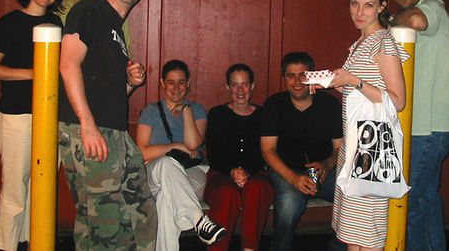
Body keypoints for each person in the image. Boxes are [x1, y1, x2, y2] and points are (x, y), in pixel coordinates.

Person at [58, 0, 156, 250]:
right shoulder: (90, 9)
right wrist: (87, 125)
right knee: (105, 227)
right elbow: (67, 64)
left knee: (139, 216)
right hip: (89, 130)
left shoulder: (117, 31)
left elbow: (110, 93)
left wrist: (131, 82)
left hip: (116, 133)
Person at [0, 0, 65, 251]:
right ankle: (6, 246)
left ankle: (34, 243)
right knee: (16, 189)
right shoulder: (10, 22)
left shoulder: (57, 25)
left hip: (52, 116)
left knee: (42, 189)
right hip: (17, 115)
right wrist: (35, 74)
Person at [388, 0, 449, 251]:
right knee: (426, 200)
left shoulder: (434, 7)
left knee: (405, 205)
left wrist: (388, 20)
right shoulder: (408, 16)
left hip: (430, 128)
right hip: (422, 126)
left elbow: (417, 21)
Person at [330, 0, 409, 250]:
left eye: (368, 5)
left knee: (367, 235)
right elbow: (362, 93)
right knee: (354, 233)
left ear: (382, 6)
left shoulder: (383, 43)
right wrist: (335, 83)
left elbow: (397, 101)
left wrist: (353, 81)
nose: (359, 12)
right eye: (354, 3)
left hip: (371, 150)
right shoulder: (361, 43)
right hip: (355, 147)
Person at [136, 59, 226, 251]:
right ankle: (198, 219)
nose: (176, 88)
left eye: (181, 82)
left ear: (188, 83)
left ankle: (195, 222)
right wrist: (175, 147)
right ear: (162, 83)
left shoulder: (197, 110)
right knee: (167, 163)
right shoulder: (151, 112)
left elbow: (193, 144)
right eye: (171, 82)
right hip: (156, 171)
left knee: (166, 199)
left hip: (192, 171)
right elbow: (142, 152)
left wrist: (185, 110)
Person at [261, 52, 343, 251]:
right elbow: (268, 150)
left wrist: (328, 164)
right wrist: (293, 178)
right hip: (286, 170)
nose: (297, 82)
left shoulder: (330, 104)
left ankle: (339, 247)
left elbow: (340, 148)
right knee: (289, 205)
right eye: (291, 76)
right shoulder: (274, 105)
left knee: (351, 195)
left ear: (312, 76)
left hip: (324, 170)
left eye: (303, 75)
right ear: (284, 78)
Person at [204, 63, 274, 251]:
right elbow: (213, 153)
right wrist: (232, 171)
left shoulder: (263, 116)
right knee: (226, 193)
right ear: (228, 87)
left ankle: (249, 248)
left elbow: (266, 152)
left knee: (256, 188)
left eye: (245, 84)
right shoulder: (217, 114)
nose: (240, 90)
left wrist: (247, 172)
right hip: (221, 174)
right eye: (235, 85)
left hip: (256, 173)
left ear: (252, 86)